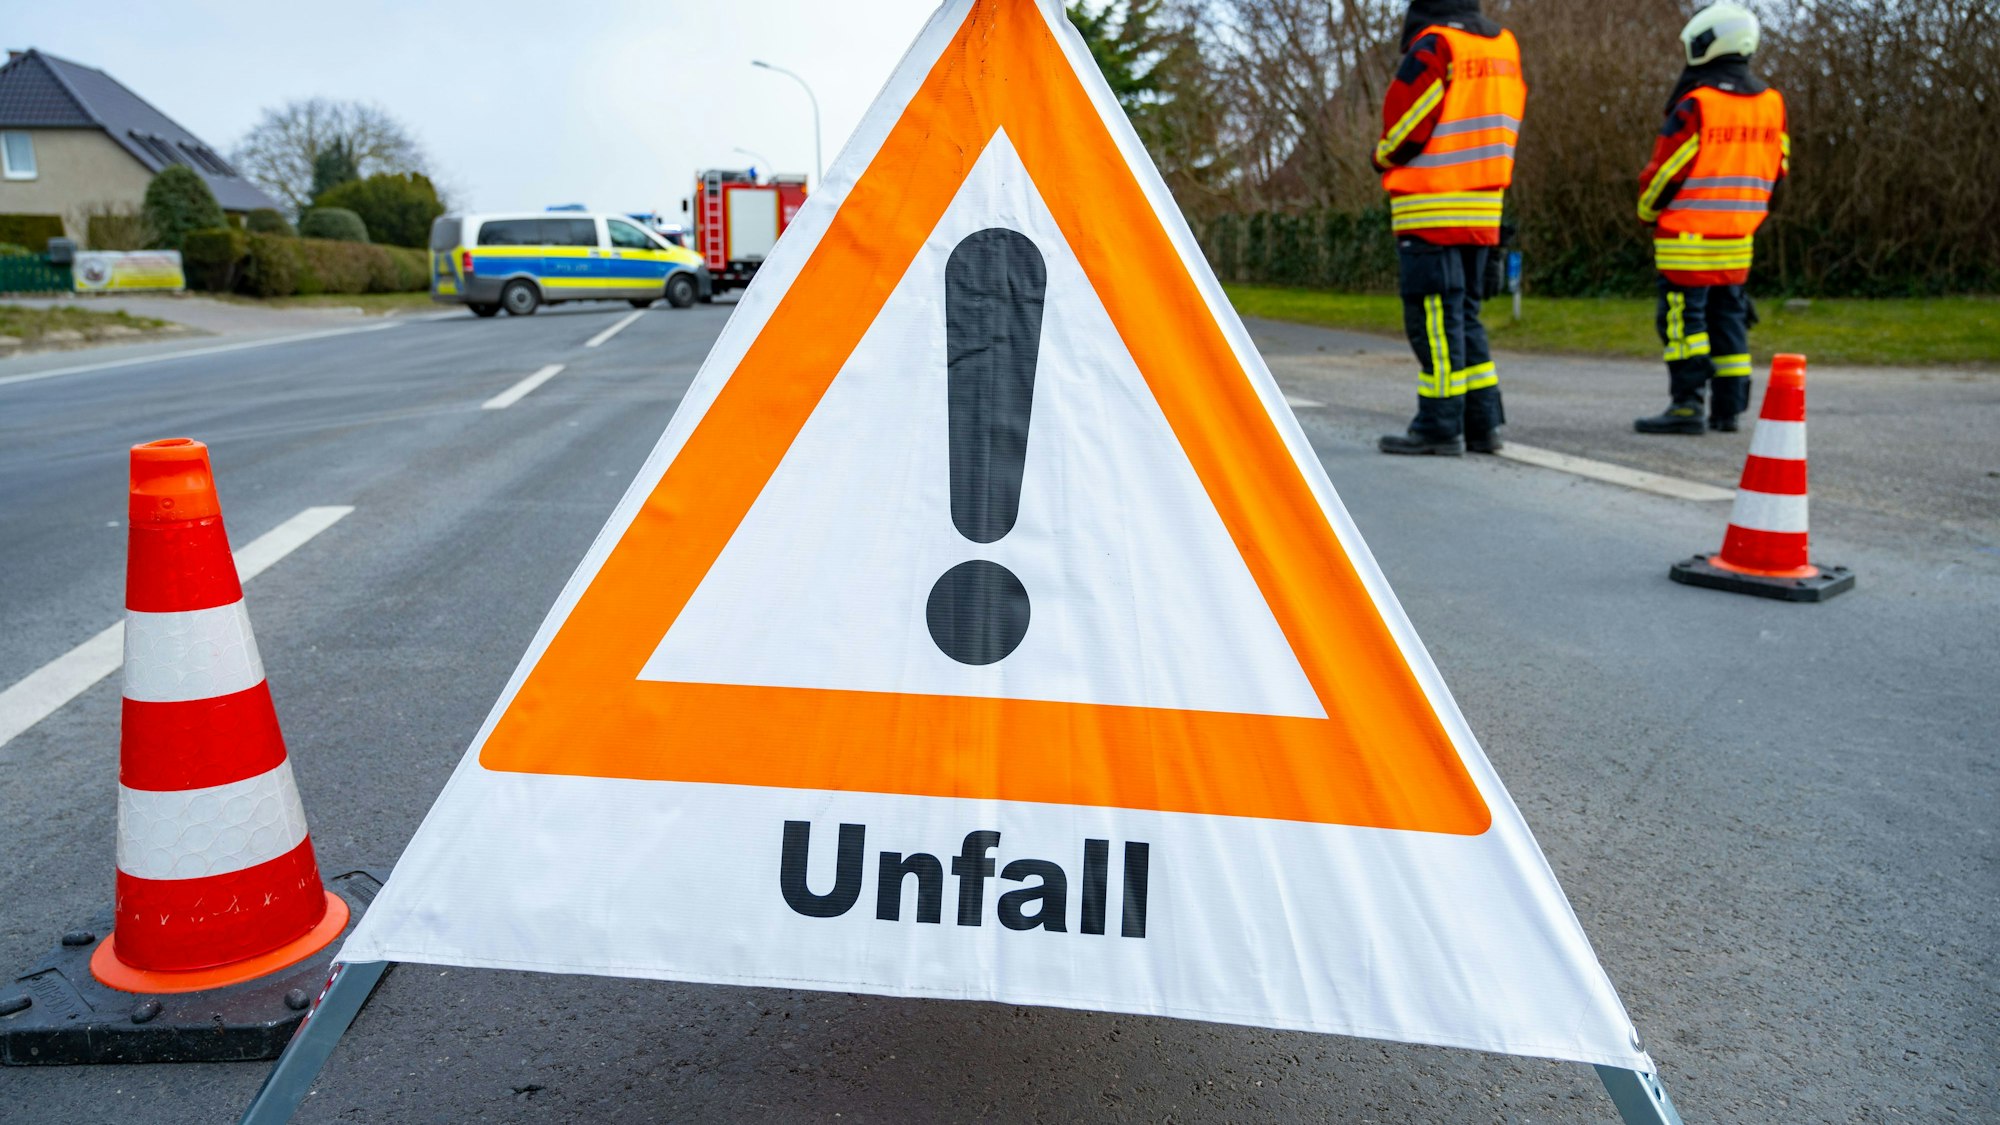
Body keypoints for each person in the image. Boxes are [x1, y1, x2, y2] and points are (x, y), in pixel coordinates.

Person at [1374, 0, 1526, 457]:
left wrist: (1382, 155)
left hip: (1432, 206)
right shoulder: (1503, 45)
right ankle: (1483, 425)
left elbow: (1407, 121)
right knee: (1466, 317)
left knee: (1435, 322)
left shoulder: (1437, 45)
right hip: (1482, 210)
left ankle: (1439, 425)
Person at [1633, 2, 1789, 434]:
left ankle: (1686, 405)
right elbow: (1779, 171)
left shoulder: (1697, 104)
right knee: (1728, 318)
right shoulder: (1772, 104)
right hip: (1738, 239)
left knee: (1684, 321)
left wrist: (1646, 212)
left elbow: (1665, 171)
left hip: (1687, 238)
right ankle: (1728, 410)